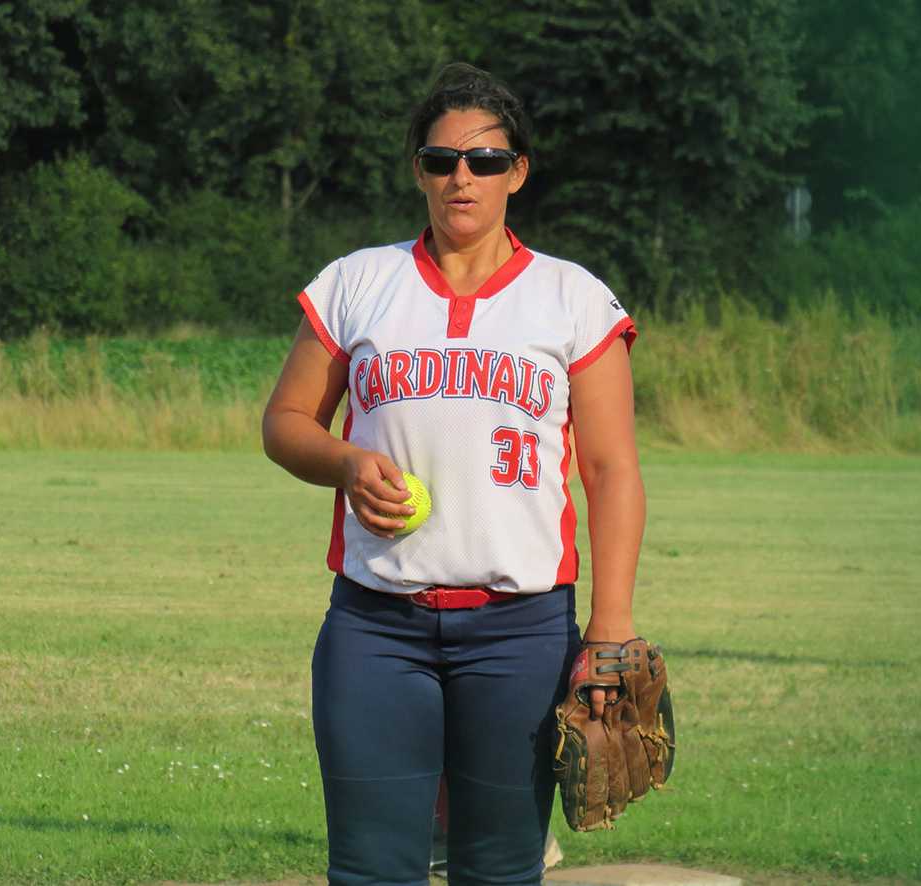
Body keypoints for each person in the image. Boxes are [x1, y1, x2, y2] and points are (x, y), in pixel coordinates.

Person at [262, 62, 645, 886]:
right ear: (418, 171)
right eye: (440, 161)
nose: (459, 177)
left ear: (518, 172)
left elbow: (610, 473)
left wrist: (608, 634)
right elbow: (285, 424)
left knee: (499, 871)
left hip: (521, 635)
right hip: (374, 628)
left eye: (482, 160)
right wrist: (346, 461)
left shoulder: (570, 298)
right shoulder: (358, 282)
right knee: (369, 870)